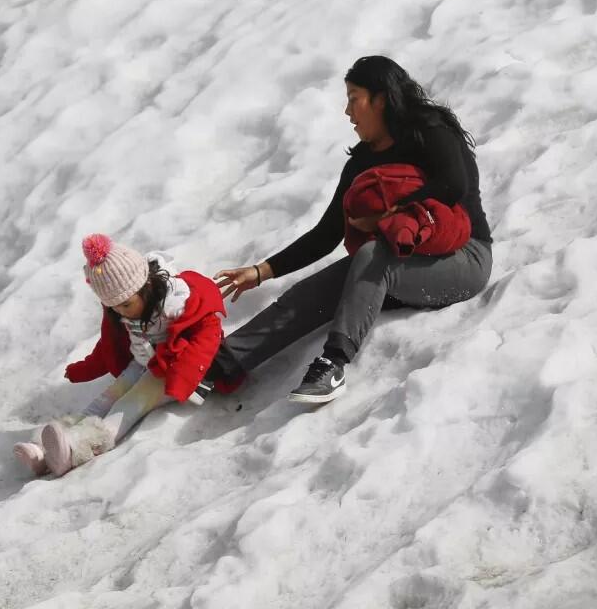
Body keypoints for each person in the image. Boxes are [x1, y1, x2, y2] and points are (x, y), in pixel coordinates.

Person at [210, 55, 493, 404]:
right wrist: (260, 271)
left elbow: (453, 185)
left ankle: (333, 364)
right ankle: (220, 364)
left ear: (381, 98)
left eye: (353, 97)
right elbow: (327, 233)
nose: (347, 112)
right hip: (399, 261)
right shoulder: (362, 163)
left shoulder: (430, 131)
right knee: (309, 293)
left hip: (464, 258)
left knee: (372, 254)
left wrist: (385, 217)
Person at [14, 233, 228, 477]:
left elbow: (207, 334)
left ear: (146, 287)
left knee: (128, 405)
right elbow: (109, 343)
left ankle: (77, 449)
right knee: (106, 399)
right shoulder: (122, 307)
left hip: (171, 368)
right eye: (114, 307)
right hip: (144, 362)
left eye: (125, 304)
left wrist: (182, 378)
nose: (120, 311)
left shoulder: (177, 303)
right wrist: (87, 367)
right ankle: (46, 450)